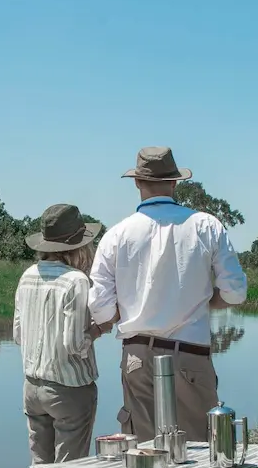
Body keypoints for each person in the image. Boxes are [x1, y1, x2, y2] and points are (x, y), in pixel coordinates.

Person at [89, 146, 248, 442]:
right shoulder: (206, 225)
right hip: (189, 353)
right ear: (175, 181)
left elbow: (101, 309)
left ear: (137, 182)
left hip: (137, 356)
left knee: (146, 454)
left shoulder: (116, 235)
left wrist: (127, 306)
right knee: (200, 451)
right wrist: (206, 300)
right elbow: (236, 293)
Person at [13, 203, 109, 463]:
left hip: (31, 387)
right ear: (79, 246)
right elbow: (75, 344)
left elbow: (18, 334)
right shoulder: (76, 280)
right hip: (69, 388)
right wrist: (101, 328)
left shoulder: (27, 276)